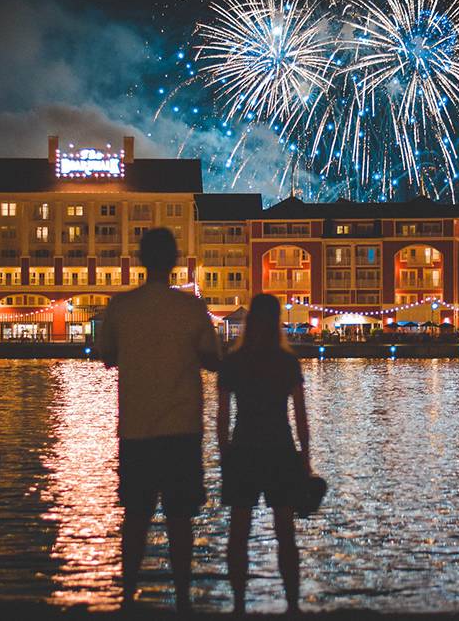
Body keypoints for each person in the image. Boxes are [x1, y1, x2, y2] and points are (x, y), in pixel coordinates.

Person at [95, 228, 221, 613]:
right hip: (182, 428)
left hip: (136, 428)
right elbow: (213, 359)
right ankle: (182, 598)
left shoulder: (121, 308)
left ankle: (128, 597)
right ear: (175, 262)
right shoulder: (191, 309)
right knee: (181, 517)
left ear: (139, 260)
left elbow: (105, 355)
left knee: (135, 516)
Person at [217, 293, 311, 614]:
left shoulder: (233, 361)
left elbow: (222, 414)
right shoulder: (287, 362)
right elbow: (300, 414)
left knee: (238, 532)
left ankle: (239, 604)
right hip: (280, 449)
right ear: (277, 321)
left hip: (243, 448)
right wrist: (305, 457)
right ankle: (293, 604)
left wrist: (224, 452)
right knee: (285, 532)